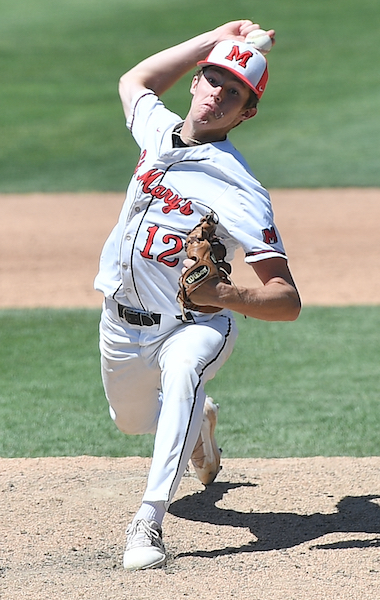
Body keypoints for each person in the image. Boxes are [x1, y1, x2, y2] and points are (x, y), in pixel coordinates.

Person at [94, 19, 301, 571]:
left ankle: (148, 521)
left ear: (246, 112)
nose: (218, 93)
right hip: (121, 323)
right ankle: (200, 421)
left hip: (192, 324)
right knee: (132, 421)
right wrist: (213, 39)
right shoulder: (157, 131)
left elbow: (286, 298)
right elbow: (134, 80)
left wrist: (226, 293)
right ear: (196, 81)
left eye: (234, 92)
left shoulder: (241, 188)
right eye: (213, 79)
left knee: (184, 369)